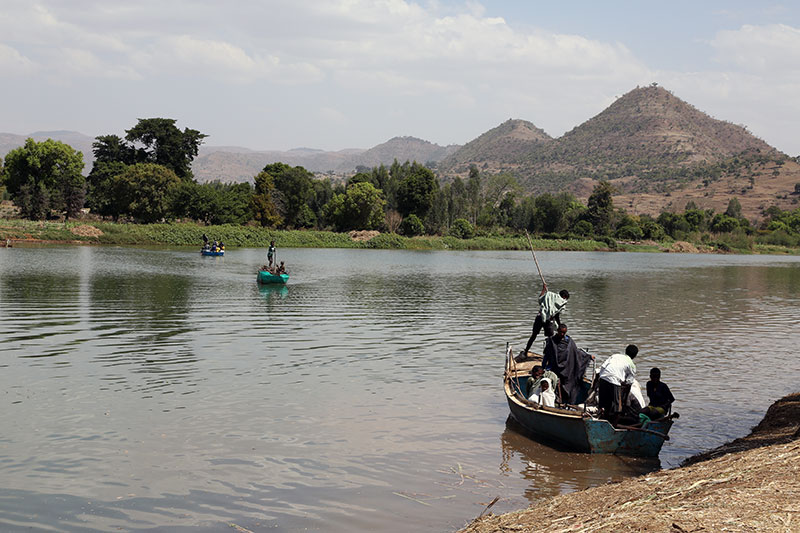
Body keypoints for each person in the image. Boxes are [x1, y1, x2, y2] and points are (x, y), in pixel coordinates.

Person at [541, 323, 593, 405]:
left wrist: (588, 356)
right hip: (554, 368)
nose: (562, 334)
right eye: (560, 332)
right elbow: (546, 355)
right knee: (553, 383)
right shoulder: (551, 341)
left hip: (567, 369)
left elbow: (576, 352)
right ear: (557, 331)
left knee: (571, 384)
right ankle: (556, 402)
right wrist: (543, 368)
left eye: (564, 333)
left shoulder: (569, 342)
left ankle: (569, 402)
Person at [519, 284, 570, 359]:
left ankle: (526, 352)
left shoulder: (549, 295)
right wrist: (559, 325)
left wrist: (543, 290)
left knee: (534, 335)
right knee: (550, 338)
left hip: (540, 317)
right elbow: (556, 315)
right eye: (565, 298)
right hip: (549, 320)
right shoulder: (560, 301)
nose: (564, 300)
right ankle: (550, 355)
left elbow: (540, 299)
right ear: (564, 297)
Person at [597, 344, 639, 422]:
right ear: (635, 356)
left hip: (603, 377)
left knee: (603, 404)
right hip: (614, 380)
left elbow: (603, 367)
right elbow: (629, 383)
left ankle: (602, 420)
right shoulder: (632, 365)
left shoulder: (615, 356)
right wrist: (625, 399)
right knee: (617, 408)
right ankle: (615, 425)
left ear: (625, 351)